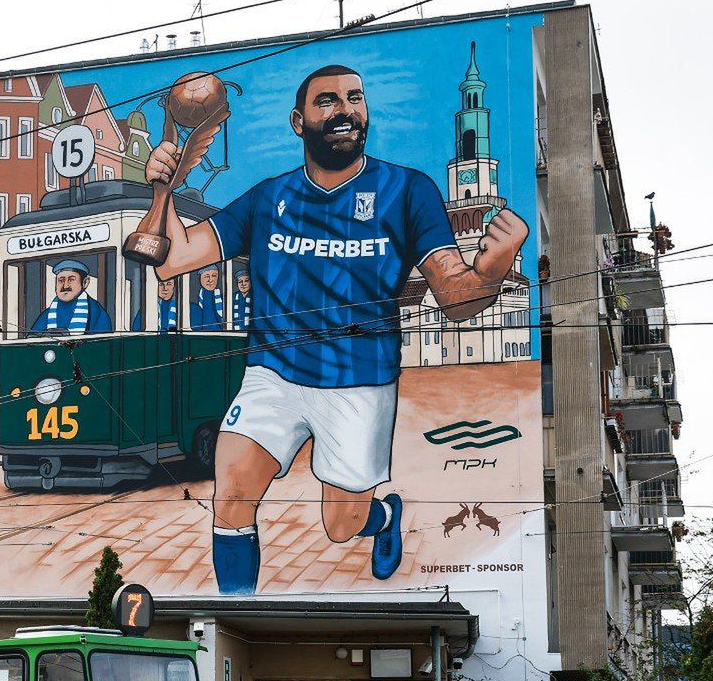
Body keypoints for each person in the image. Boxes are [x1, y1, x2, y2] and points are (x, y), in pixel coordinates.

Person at [141, 63, 529, 591]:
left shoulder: (407, 191)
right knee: (230, 491)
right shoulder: (268, 198)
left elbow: (455, 299)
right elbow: (172, 258)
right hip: (273, 373)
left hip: (360, 381)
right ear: (298, 122)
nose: (345, 109)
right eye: (327, 101)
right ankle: (230, 627)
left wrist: (493, 267)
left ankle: (383, 519)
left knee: (341, 526)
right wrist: (162, 188)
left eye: (355, 98)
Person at [28, 259, 112, 335]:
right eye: (61, 280)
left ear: (85, 282)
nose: (65, 286)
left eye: (71, 279)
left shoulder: (96, 312)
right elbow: (31, 339)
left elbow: (102, 345)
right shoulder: (46, 314)